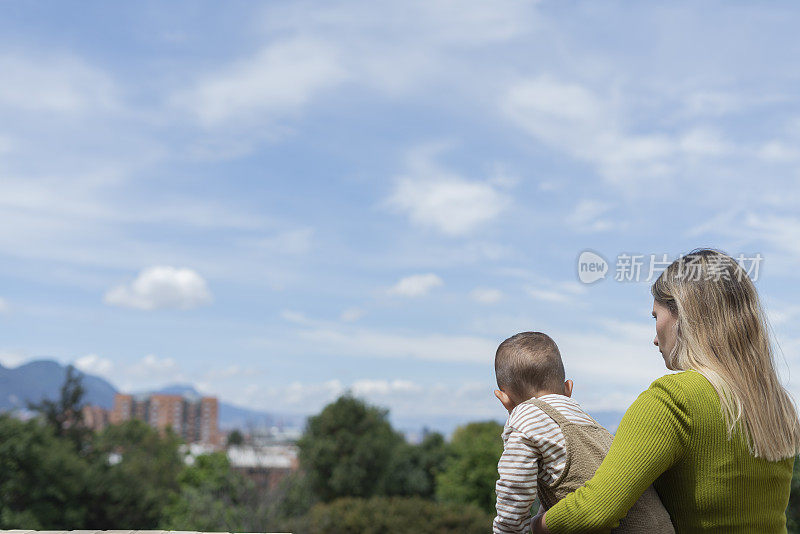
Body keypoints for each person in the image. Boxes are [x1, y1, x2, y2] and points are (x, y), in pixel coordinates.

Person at [533, 248, 800, 533]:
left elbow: (595, 512)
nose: (655, 338)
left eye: (655, 317)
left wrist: (534, 525)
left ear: (683, 314)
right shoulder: (778, 403)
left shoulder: (674, 398)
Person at [492, 331, 674, 533]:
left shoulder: (523, 419)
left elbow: (513, 495)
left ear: (504, 398)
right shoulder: (587, 422)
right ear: (568, 388)